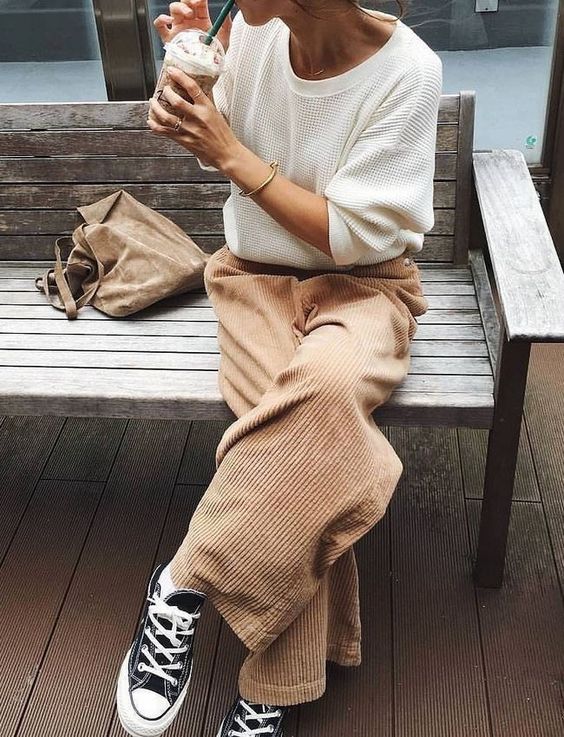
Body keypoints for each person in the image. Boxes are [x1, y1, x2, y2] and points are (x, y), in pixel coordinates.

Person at [115, 1, 442, 736]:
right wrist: (194, 83)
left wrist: (230, 152)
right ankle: (273, 690)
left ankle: (181, 581)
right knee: (308, 442)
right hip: (253, 277)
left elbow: (353, 234)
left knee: (322, 390)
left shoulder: (409, 72)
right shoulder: (256, 34)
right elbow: (222, 138)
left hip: (367, 286)